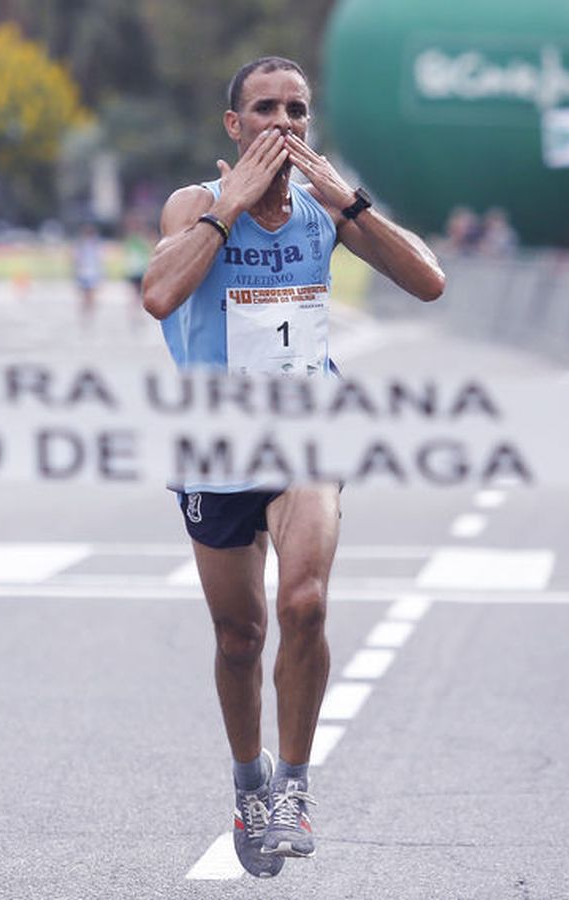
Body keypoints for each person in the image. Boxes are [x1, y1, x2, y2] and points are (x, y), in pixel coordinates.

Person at [140, 55, 445, 878]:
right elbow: (159, 295)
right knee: (240, 636)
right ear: (234, 127)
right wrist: (228, 209)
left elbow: (428, 281)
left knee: (304, 600)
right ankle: (251, 785)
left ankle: (296, 787)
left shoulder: (326, 209)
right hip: (216, 446)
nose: (284, 122)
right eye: (265, 109)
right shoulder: (195, 205)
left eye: (298, 110)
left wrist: (351, 201)